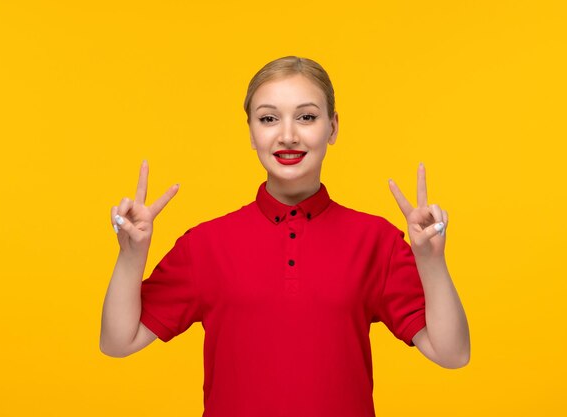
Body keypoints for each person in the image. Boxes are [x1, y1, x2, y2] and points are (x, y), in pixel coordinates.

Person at [100, 56, 470, 417]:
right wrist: (132, 255)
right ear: (251, 132)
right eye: (268, 118)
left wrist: (432, 261)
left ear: (333, 127)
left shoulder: (376, 241)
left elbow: (452, 354)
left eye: (307, 117)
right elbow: (118, 342)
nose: (288, 135)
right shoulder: (205, 245)